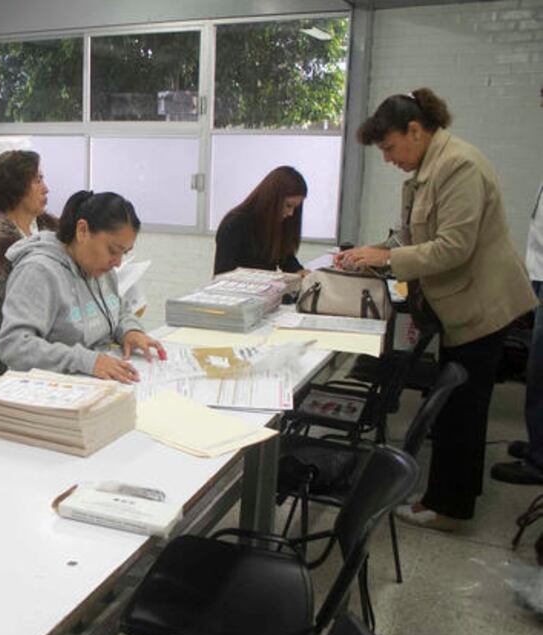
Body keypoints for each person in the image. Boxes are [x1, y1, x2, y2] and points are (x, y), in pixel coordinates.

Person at [337, 88, 537, 530]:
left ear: (415, 130)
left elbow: (453, 247)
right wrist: (376, 248)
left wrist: (388, 259)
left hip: (481, 306)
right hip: (461, 304)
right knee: (457, 405)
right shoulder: (430, 168)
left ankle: (450, 507)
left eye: (390, 147)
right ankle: (455, 493)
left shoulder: (458, 166)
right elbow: (413, 234)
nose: (388, 158)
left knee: (460, 408)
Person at [0, 190, 164, 384]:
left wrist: (130, 331)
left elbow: (117, 310)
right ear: (82, 230)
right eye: (112, 250)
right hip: (51, 388)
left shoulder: (101, 269)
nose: (117, 262)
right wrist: (87, 361)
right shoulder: (38, 271)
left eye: (124, 253)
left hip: (95, 381)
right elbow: (14, 345)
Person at [0, 150, 57, 384]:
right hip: (4, 364)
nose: (46, 188)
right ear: (16, 187)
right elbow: (14, 314)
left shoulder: (50, 231)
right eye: (37, 180)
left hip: (49, 352)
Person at [492, 179, 543, 485]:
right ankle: (538, 443)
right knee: (536, 373)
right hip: (539, 274)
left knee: (542, 373)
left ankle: (539, 461)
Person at [213, 165, 308, 275]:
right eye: (288, 205)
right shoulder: (235, 223)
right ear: (272, 199)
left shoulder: (280, 221)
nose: (291, 213)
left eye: (295, 208)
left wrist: (299, 271)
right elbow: (222, 273)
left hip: (265, 288)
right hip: (238, 288)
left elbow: (286, 257)